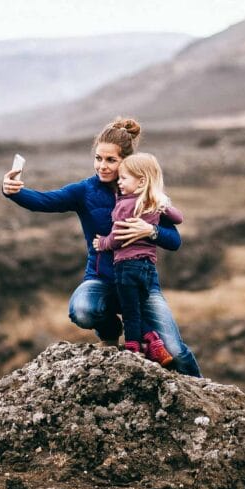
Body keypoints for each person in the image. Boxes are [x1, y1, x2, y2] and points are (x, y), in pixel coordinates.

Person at [2, 117, 201, 377]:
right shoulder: (85, 191)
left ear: (126, 161)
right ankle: (110, 333)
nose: (102, 166)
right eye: (98, 158)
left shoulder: (145, 193)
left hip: (141, 284)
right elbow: (45, 201)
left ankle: (206, 394)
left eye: (110, 160)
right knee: (82, 310)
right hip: (101, 279)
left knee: (175, 351)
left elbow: (174, 241)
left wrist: (150, 231)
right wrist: (13, 191)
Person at [93, 152, 182, 367]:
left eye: (123, 178)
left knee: (130, 312)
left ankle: (135, 349)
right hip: (147, 268)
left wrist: (102, 243)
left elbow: (118, 237)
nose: (119, 183)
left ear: (141, 181)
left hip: (126, 267)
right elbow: (178, 218)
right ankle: (152, 340)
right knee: (139, 308)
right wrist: (161, 203)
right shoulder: (153, 202)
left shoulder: (125, 206)